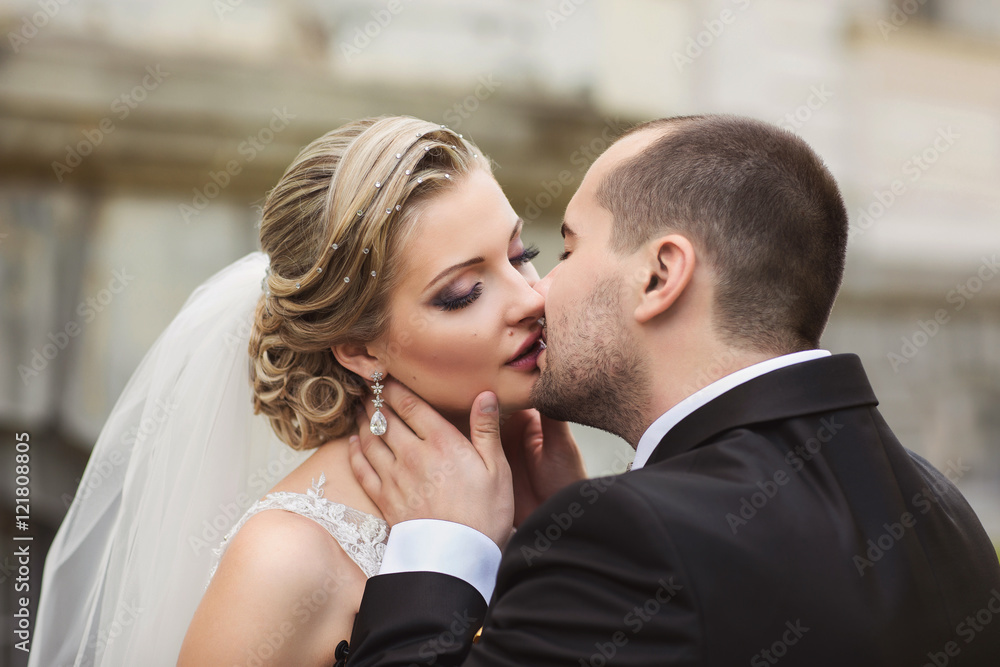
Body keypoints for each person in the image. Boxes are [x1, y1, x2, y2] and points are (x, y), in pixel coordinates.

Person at [344, 115, 1000, 665]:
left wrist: (440, 546)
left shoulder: (631, 538)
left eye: (564, 251)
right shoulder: (941, 508)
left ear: (661, 275)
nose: (537, 291)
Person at [30, 116, 583, 666]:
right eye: (462, 294)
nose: (531, 299)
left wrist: (566, 533)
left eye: (521, 257)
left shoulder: (544, 493)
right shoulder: (285, 561)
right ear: (361, 349)